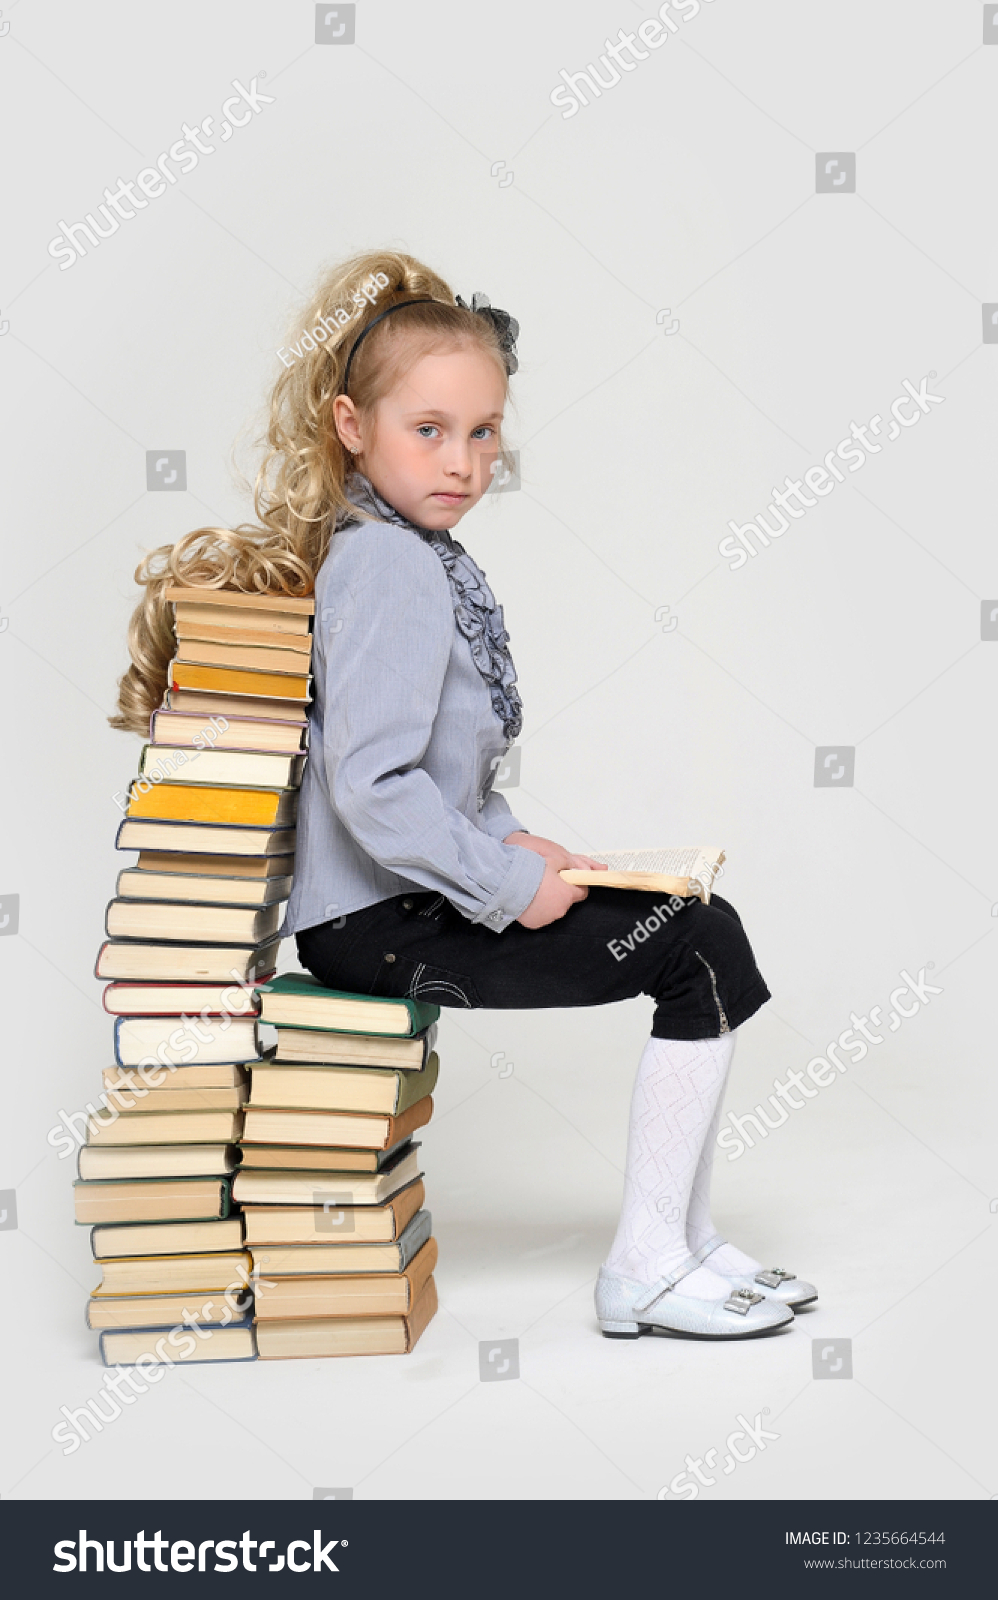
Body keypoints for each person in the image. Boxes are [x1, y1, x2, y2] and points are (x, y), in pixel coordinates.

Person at [111, 250, 816, 1340]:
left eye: (483, 431)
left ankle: (683, 1237)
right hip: (375, 925)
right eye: (428, 430)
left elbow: (439, 775)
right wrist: (501, 881)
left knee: (697, 936)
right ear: (351, 426)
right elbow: (369, 784)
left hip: (404, 903)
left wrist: (517, 840)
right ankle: (645, 1265)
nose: (462, 459)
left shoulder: (413, 550)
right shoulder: (388, 565)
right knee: (696, 945)